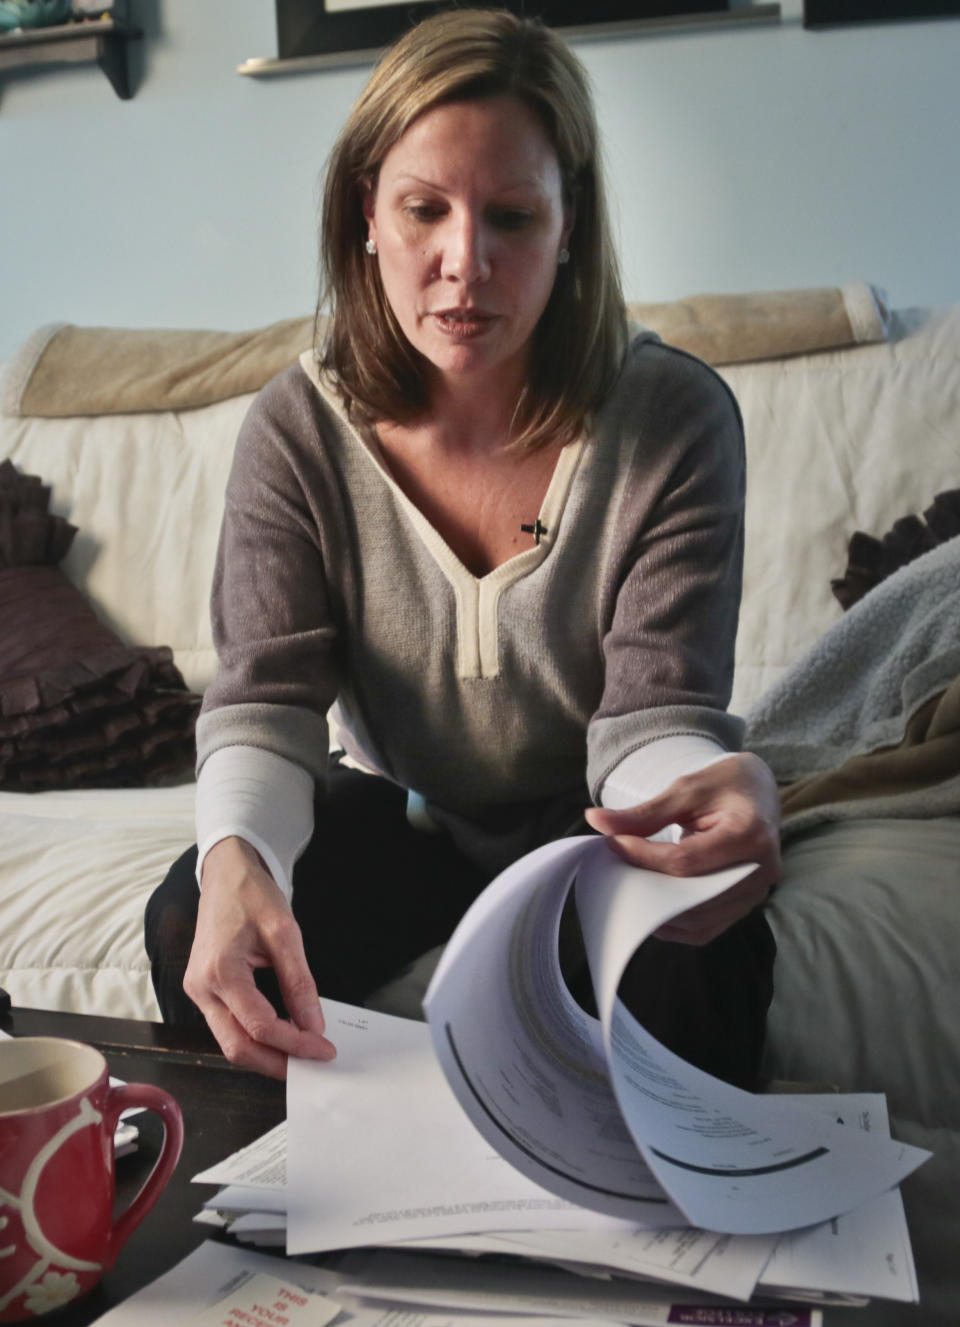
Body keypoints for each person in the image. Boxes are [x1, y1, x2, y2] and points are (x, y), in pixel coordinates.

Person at [145, 7, 781, 1086]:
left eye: (514, 217)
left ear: (570, 222)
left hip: (590, 822)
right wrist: (236, 857)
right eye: (424, 209)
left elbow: (654, 715)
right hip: (401, 817)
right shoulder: (296, 432)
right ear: (367, 215)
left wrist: (706, 798)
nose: (464, 262)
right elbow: (267, 702)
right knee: (188, 925)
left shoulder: (670, 418)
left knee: (705, 958)